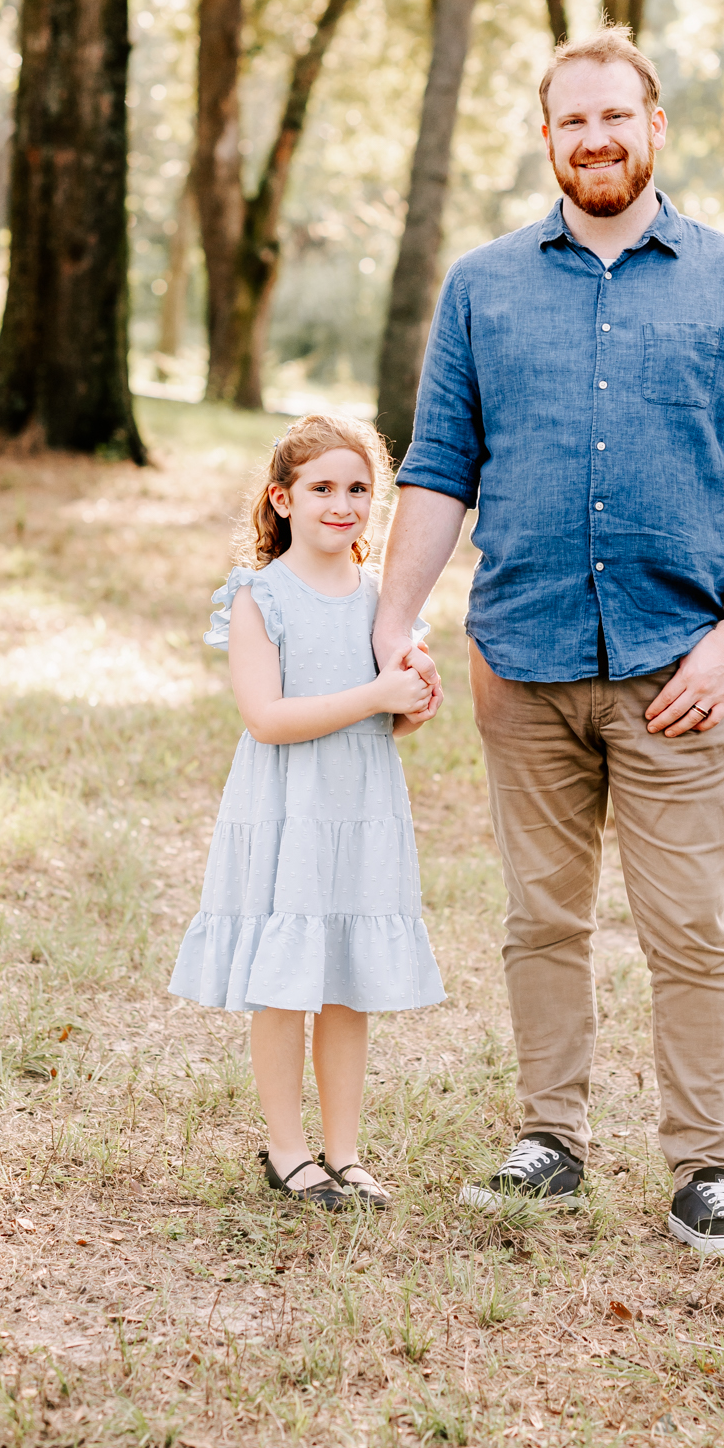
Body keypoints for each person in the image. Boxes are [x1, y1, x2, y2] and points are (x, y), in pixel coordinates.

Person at [374, 27, 724, 1258]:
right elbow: (438, 470)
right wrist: (390, 627)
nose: (596, 138)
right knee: (539, 917)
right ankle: (550, 1139)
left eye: (615, 115)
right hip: (523, 660)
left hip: (684, 667)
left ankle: (705, 1170)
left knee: (692, 930)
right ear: (549, 136)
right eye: (572, 121)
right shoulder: (483, 285)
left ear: (655, 123)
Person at [170, 414, 446, 1210]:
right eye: (322, 488)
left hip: (360, 804)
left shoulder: (380, 600)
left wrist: (410, 704)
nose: (343, 504)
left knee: (346, 982)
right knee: (286, 982)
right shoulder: (260, 595)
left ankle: (346, 1152)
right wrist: (374, 695)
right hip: (289, 802)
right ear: (281, 499)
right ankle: (287, 1150)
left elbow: (388, 711)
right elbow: (267, 718)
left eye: (359, 489)